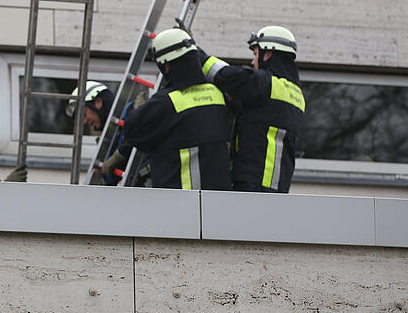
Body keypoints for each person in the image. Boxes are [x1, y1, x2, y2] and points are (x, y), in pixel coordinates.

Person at [120, 28, 232, 190]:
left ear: (166, 66)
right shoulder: (219, 94)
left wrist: (138, 109)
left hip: (179, 202)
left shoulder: (166, 102)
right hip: (219, 201)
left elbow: (133, 131)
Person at [200, 25, 304, 193]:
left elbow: (232, 76)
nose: (253, 61)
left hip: (255, 184)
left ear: (268, 54)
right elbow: (254, 113)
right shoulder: (294, 93)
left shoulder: (267, 85)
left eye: (256, 55)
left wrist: (197, 56)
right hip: (274, 186)